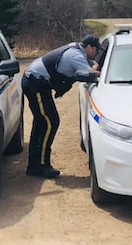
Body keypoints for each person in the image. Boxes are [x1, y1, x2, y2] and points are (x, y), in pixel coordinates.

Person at [21, 35, 101, 178]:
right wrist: (96, 68)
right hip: (36, 83)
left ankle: (34, 165)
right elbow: (90, 74)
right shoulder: (75, 55)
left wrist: (92, 64)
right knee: (50, 122)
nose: (97, 53)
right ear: (89, 47)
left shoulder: (76, 50)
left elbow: (88, 64)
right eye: (96, 50)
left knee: (42, 122)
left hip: (35, 81)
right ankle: (41, 165)